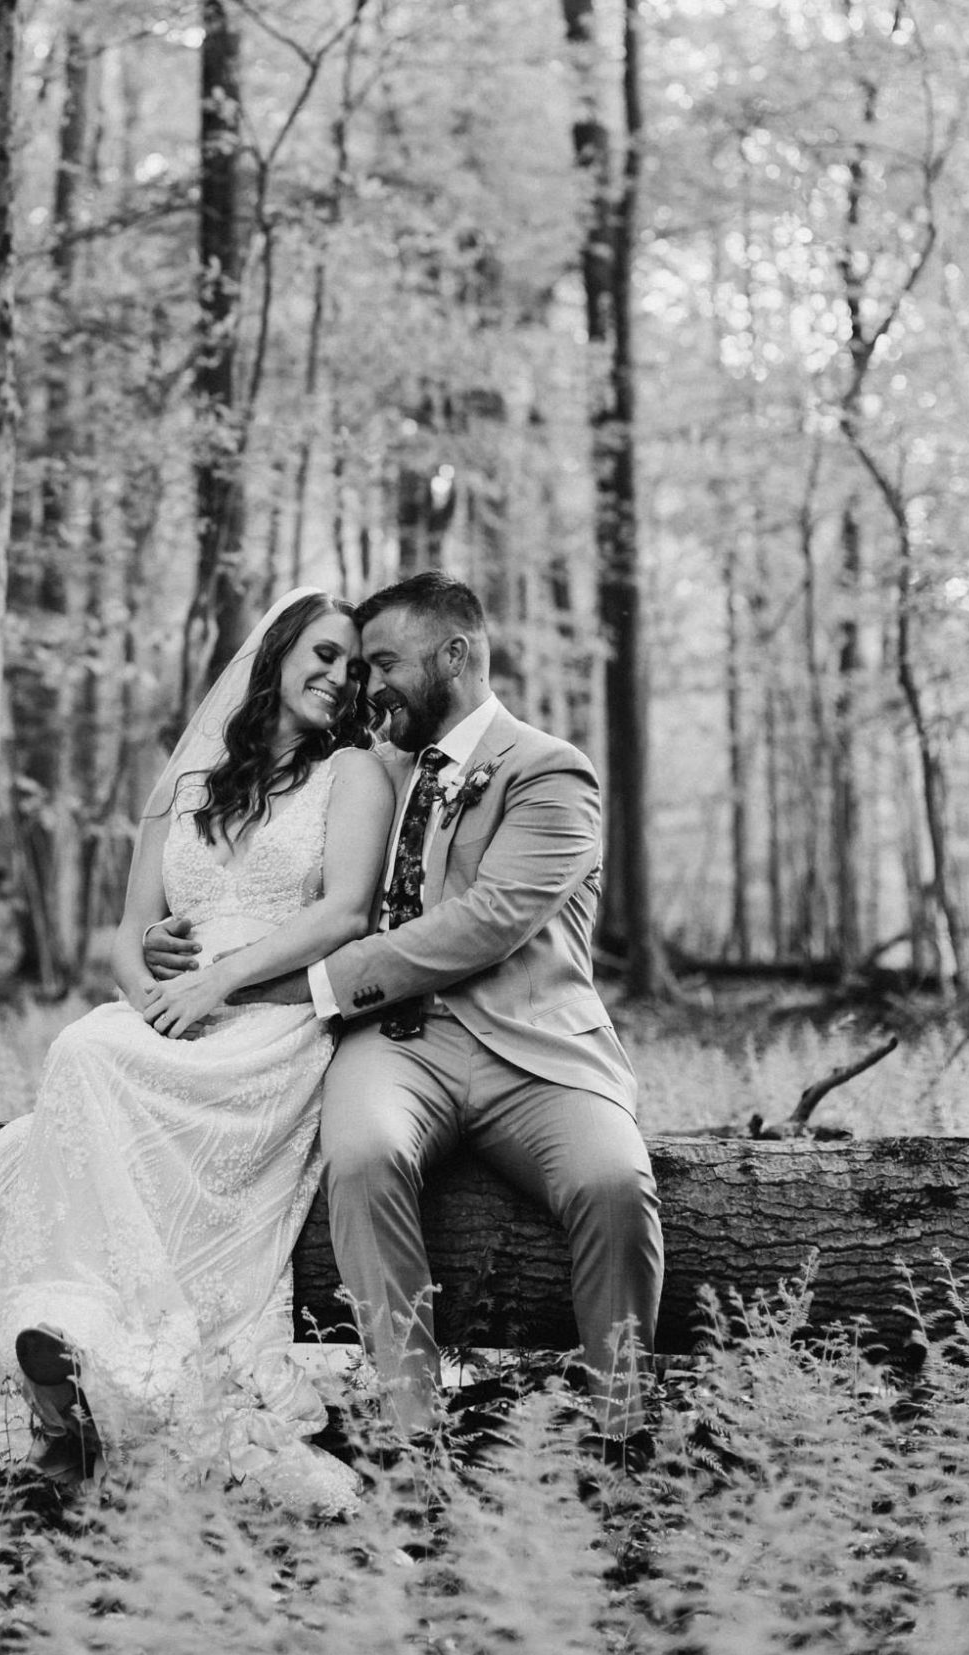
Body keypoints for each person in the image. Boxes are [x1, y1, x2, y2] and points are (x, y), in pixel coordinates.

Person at [145, 570, 664, 1463]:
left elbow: (482, 924)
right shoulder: (372, 772)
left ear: (453, 654)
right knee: (364, 1156)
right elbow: (303, 880)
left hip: (533, 1053)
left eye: (385, 662)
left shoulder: (550, 772)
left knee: (615, 1186)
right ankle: (412, 1433)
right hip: (394, 1047)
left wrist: (307, 988)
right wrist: (182, 935)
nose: (367, 685)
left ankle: (618, 1434)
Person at [0, 587, 394, 1516]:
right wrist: (148, 984)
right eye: (321, 653)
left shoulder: (352, 774)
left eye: (352, 667)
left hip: (270, 1024)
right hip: (176, 1015)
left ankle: (122, 1358)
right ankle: (69, 1358)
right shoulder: (187, 787)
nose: (338, 678)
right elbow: (125, 932)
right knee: (75, 1066)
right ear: (271, 655)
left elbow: (343, 912)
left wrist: (215, 984)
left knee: (83, 1065)